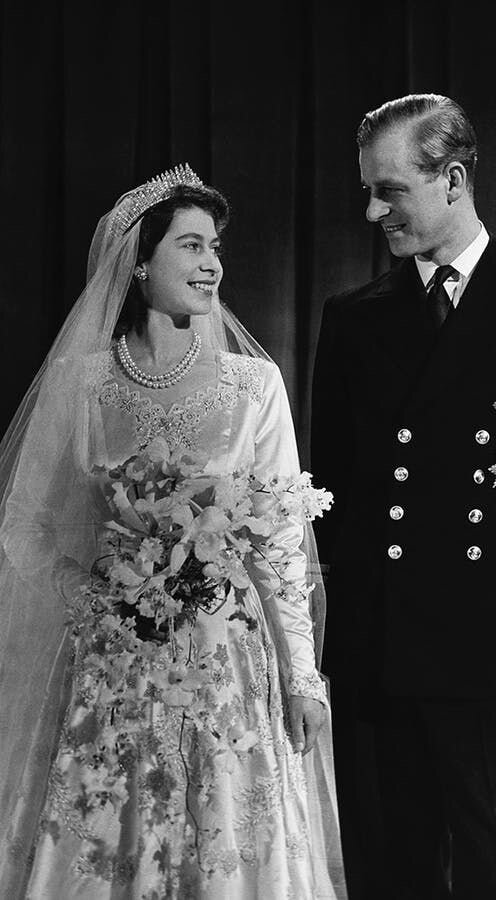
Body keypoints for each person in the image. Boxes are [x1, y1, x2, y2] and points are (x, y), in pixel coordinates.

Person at [0, 164, 346, 899]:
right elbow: (23, 522)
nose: (212, 262)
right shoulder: (81, 384)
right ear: (139, 262)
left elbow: (281, 546)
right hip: (115, 664)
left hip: (225, 665)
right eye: (191, 245)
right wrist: (88, 596)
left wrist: (302, 678)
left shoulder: (254, 387)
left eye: (215, 246)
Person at [311, 93, 496, 899]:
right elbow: (330, 496)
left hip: (492, 641)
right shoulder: (354, 319)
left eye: (390, 191)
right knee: (389, 876)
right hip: (378, 649)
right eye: (369, 191)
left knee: (493, 875)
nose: (373, 212)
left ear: (454, 180)